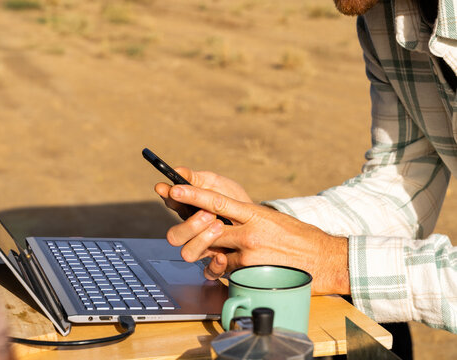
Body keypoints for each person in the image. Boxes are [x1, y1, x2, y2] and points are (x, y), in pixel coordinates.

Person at [154, 0, 457, 341]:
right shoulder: (382, 17)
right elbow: (402, 184)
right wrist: (256, 226)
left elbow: (336, 258)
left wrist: (336, 264)